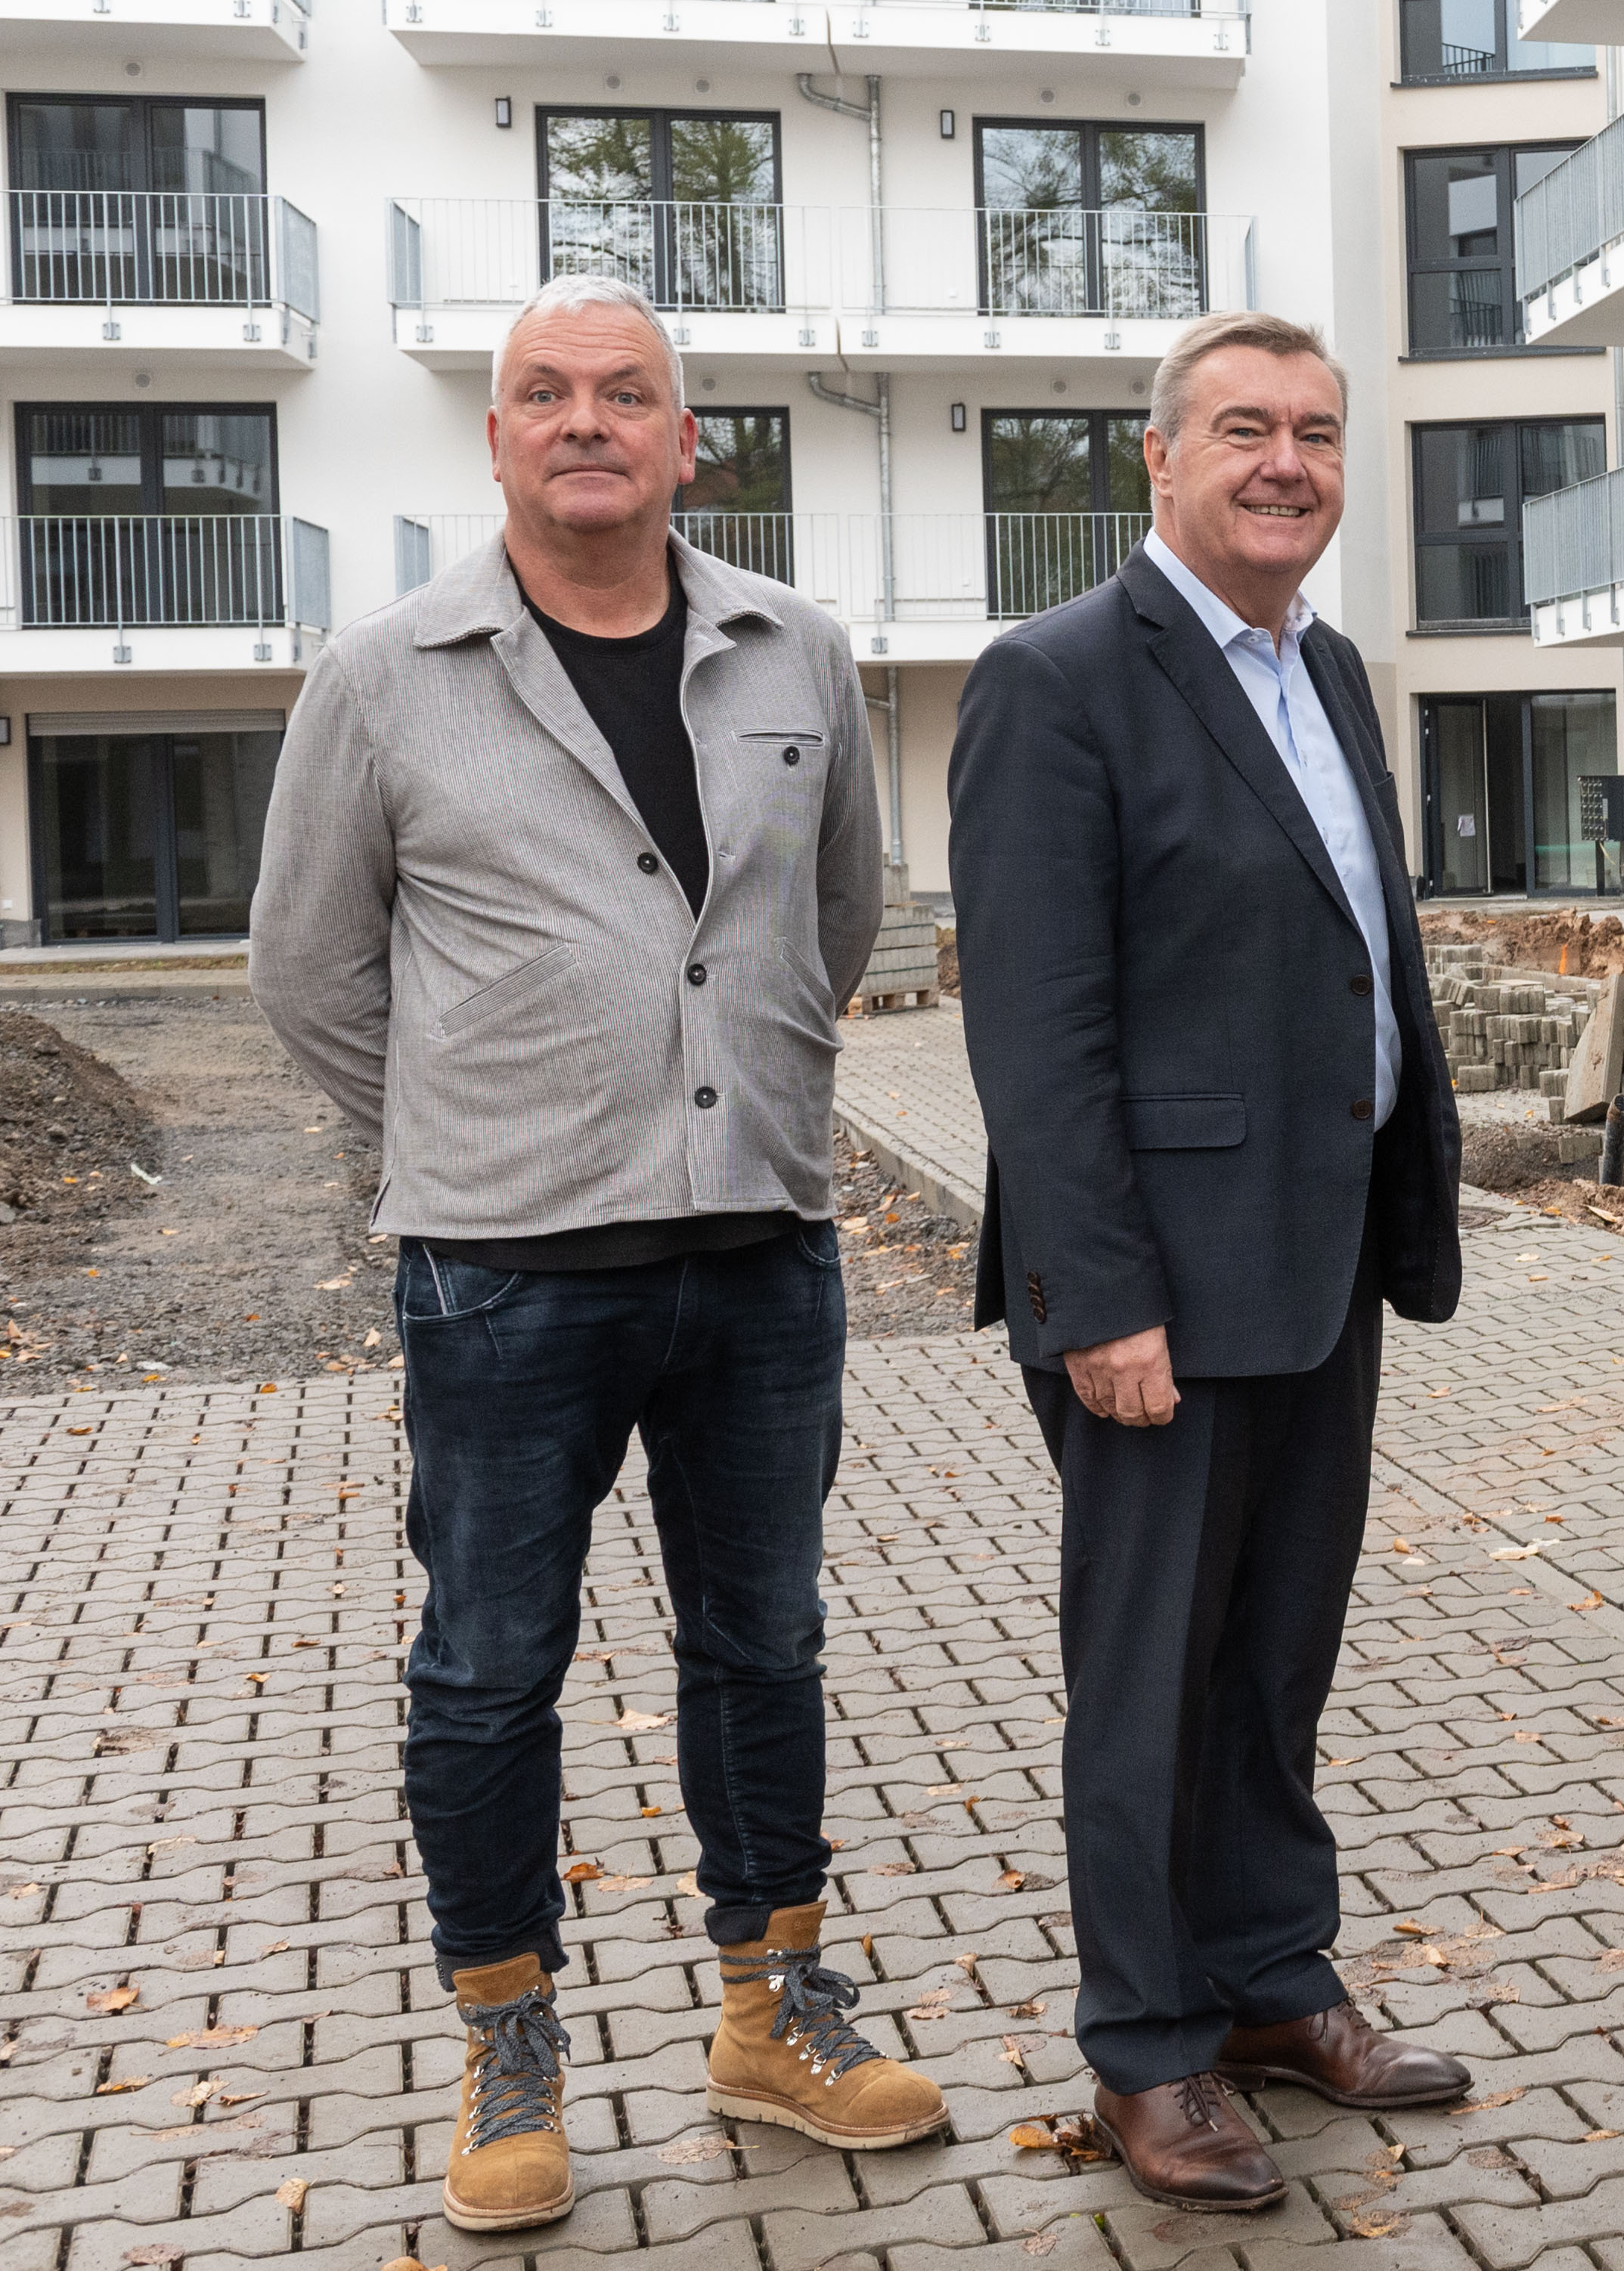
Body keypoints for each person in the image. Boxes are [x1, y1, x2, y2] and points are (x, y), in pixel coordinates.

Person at [252, 274, 943, 2235]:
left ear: (684, 439)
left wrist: (740, 1087)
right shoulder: (385, 676)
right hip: (505, 1271)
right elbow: (308, 969)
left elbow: (837, 914)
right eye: (544, 392)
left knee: (764, 1640)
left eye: (625, 392)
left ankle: (772, 2009)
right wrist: (468, 1133)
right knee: (490, 1666)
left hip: (759, 1250)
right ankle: (508, 2041)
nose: (585, 420)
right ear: (495, 439)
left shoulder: (794, 650)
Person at [947, 310, 1470, 2214]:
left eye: (1316, 432)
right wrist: (1097, 1301)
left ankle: (1268, 1980)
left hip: (1316, 1263)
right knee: (1150, 1683)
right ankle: (1148, 2045)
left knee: (1271, 1661)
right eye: (1243, 429)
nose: (1286, 464)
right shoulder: (1058, 679)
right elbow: (1037, 1031)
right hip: (1158, 1290)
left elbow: (1353, 944)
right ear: (1159, 458)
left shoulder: (1325, 667)